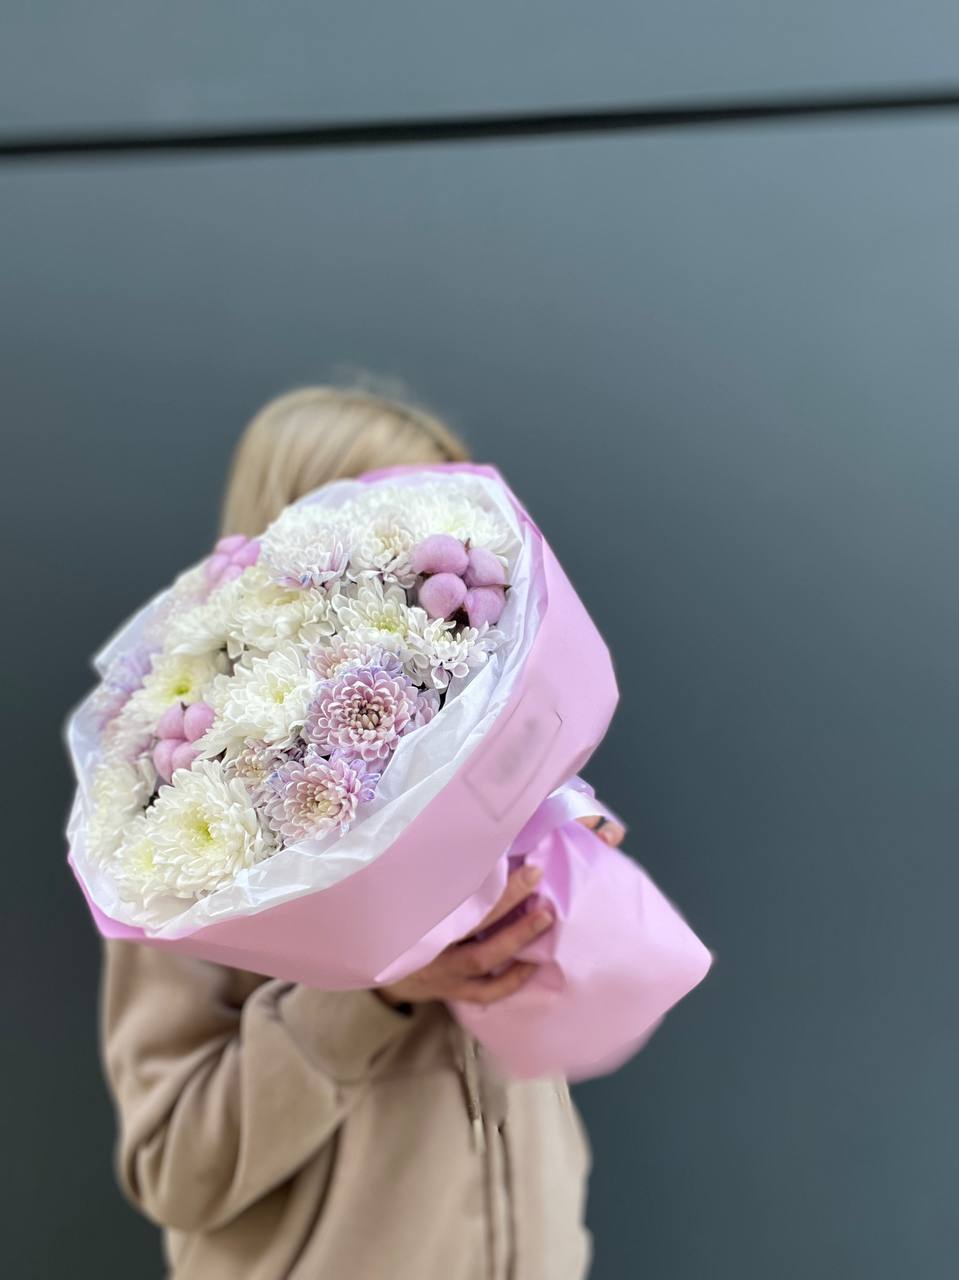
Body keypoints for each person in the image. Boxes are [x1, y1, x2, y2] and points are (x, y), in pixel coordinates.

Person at [100, 381, 624, 1280]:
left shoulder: (480, 747)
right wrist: (371, 994)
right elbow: (174, 1168)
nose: (449, 555)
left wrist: (568, 884)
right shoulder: (185, 818)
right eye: (404, 519)